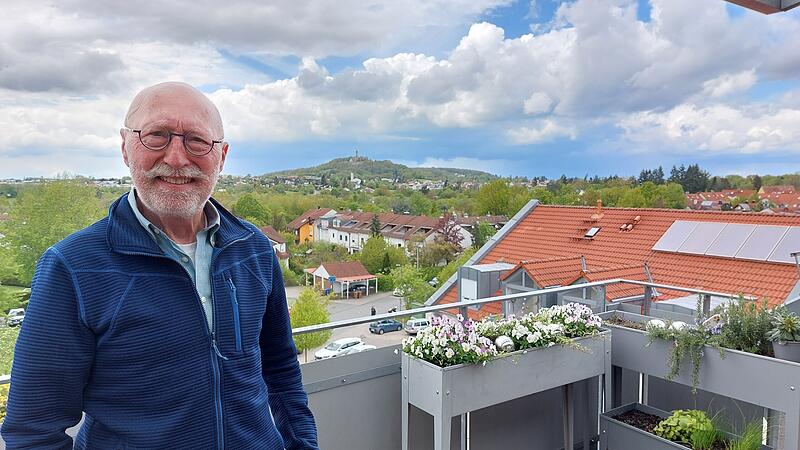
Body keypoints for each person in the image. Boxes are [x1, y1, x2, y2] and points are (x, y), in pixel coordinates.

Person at [1, 82, 319, 449]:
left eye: (197, 140)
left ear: (222, 155)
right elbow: (33, 430)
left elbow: (280, 374)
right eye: (157, 136)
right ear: (125, 147)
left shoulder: (253, 249)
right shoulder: (73, 268)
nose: (177, 158)